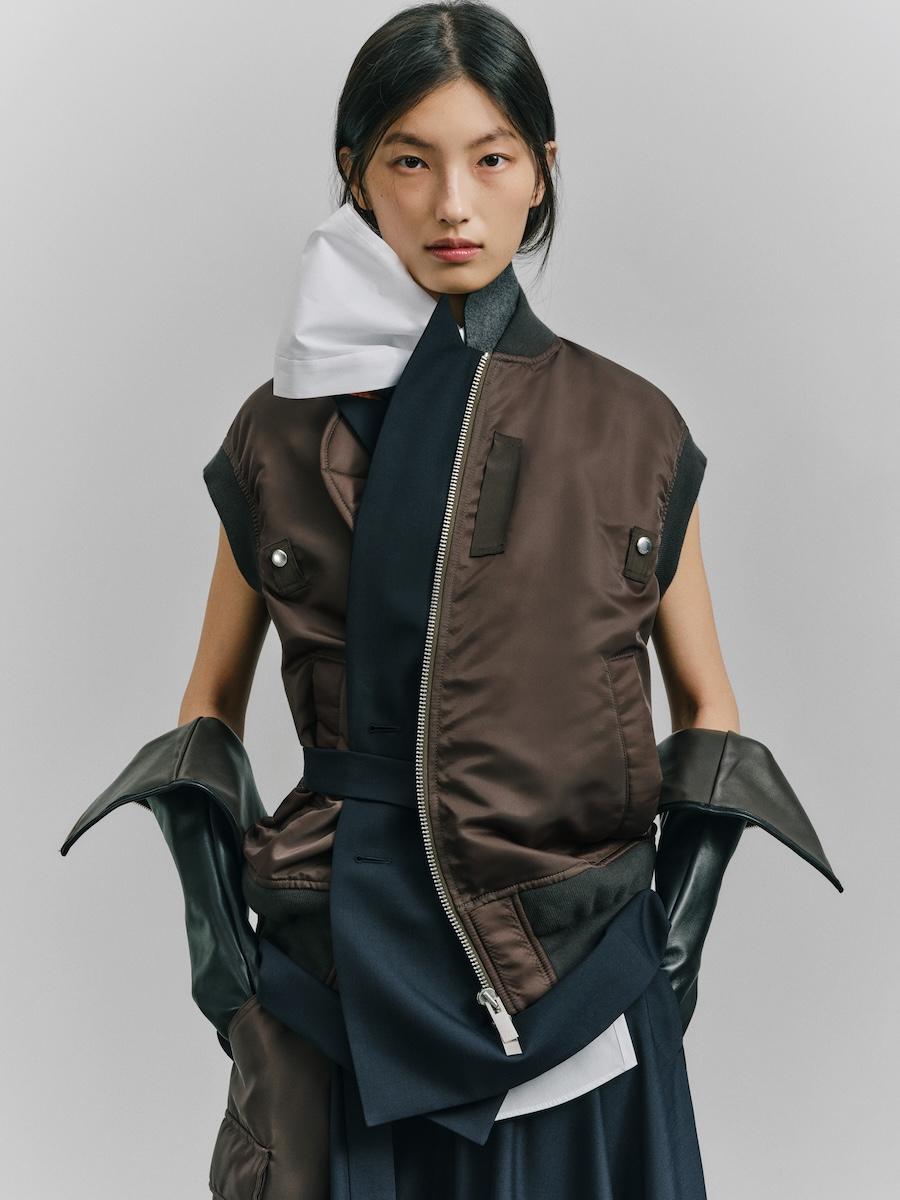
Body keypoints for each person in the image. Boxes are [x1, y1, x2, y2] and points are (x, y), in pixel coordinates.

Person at [59, 4, 843, 1198]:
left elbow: (709, 709)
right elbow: (207, 707)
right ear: (356, 176)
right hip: (335, 972)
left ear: (542, 171)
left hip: (584, 967)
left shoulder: (632, 428)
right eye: (410, 162)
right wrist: (225, 956)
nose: (453, 204)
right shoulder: (277, 432)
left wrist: (670, 946)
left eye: (491, 158)